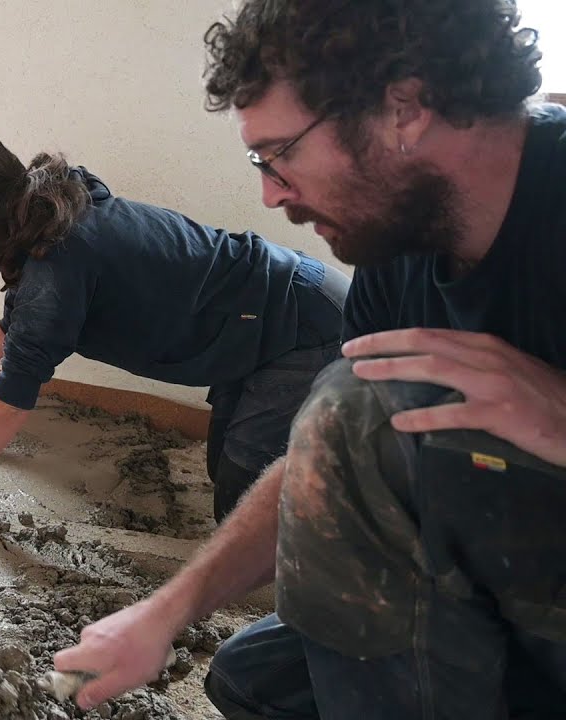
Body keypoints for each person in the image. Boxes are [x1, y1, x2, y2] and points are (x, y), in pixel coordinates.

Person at [53, 1, 566, 717]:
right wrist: (167, 612)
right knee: (257, 681)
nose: (270, 192)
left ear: (405, 107)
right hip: (498, 562)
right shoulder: (398, 244)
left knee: (357, 402)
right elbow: (329, 459)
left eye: (282, 152)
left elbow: (356, 421)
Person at [0, 133, 348, 522]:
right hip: (269, 313)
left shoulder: (56, 263)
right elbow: (20, 329)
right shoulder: (49, 208)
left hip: (305, 325)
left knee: (248, 510)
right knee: (230, 472)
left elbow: (10, 401)